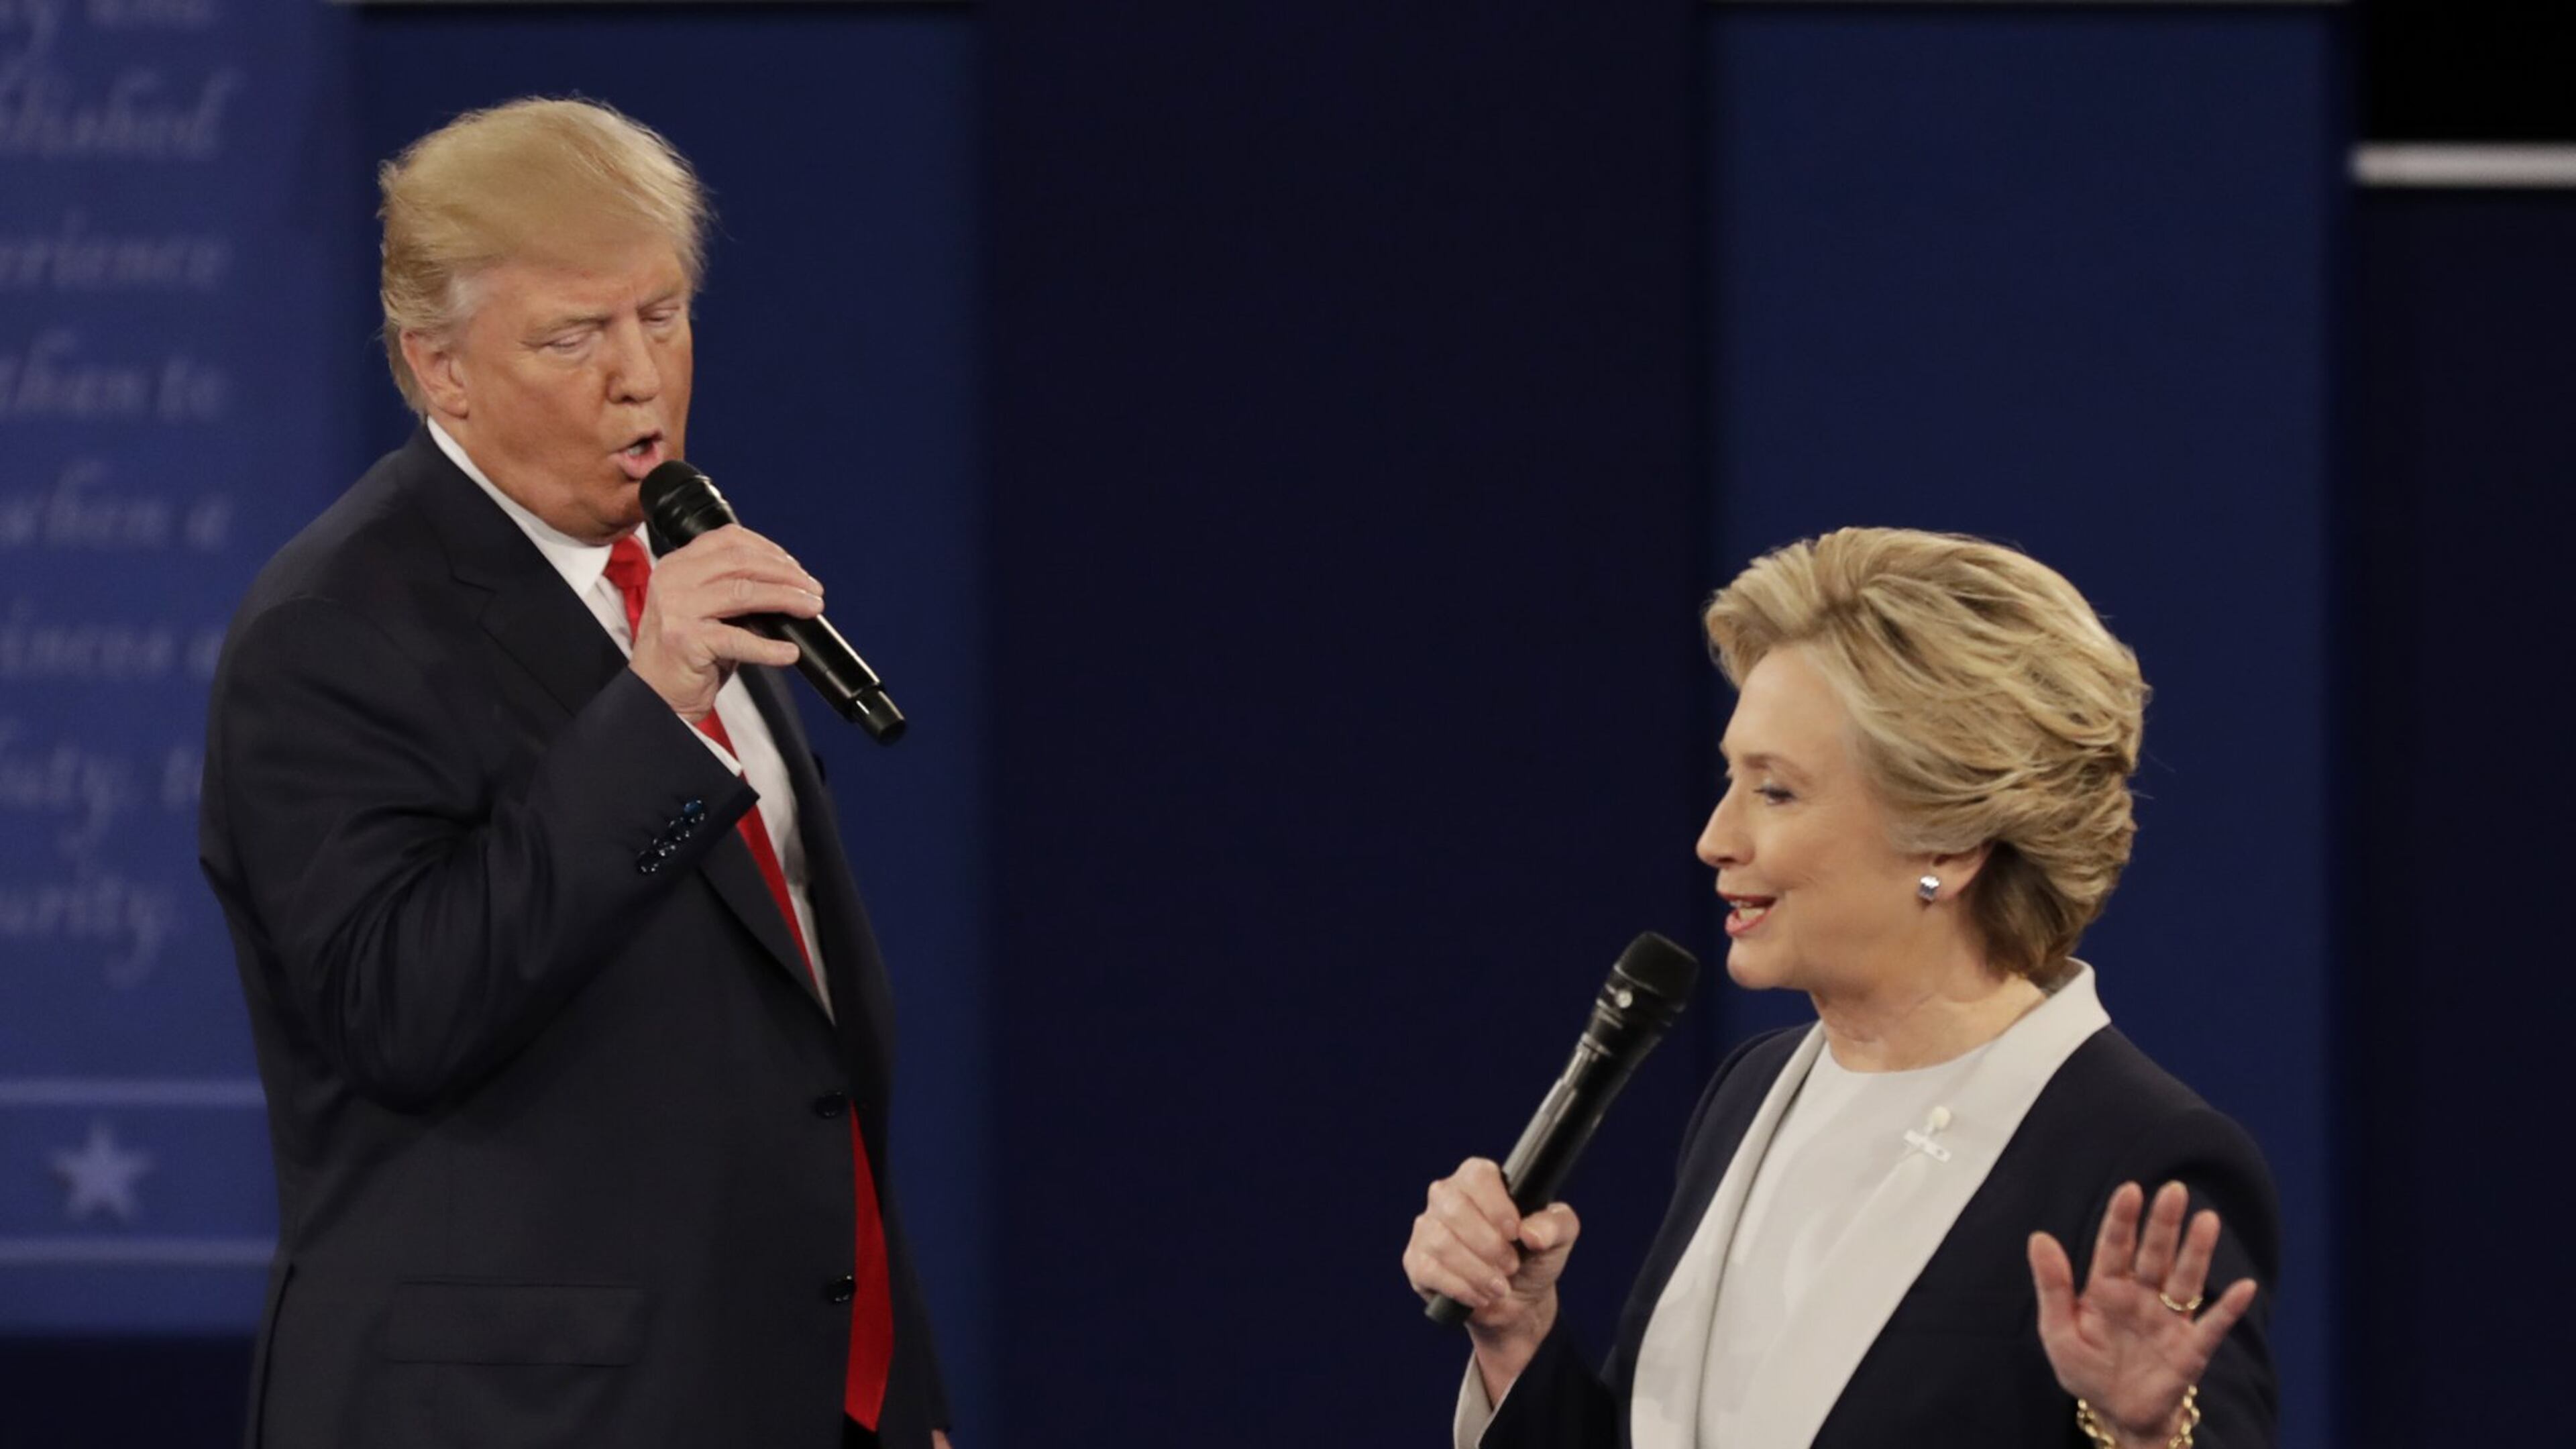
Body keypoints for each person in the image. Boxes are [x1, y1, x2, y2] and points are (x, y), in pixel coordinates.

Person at [198, 99, 953, 1449]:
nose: (641, 378)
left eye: (661, 318)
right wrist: (658, 709)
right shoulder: (331, 628)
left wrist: (895, 1396)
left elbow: (803, 1041)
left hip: (784, 1394)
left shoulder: (669, 563)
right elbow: (404, 1010)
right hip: (512, 1411)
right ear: (443, 371)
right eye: (573, 338)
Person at [1403, 528, 2278, 1448]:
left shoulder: (2139, 1156)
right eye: (1729, 779)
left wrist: (2143, 1435)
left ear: (1946, 838)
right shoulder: (1750, 1094)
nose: (1715, 838)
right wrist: (1516, 1335)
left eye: (1775, 792)